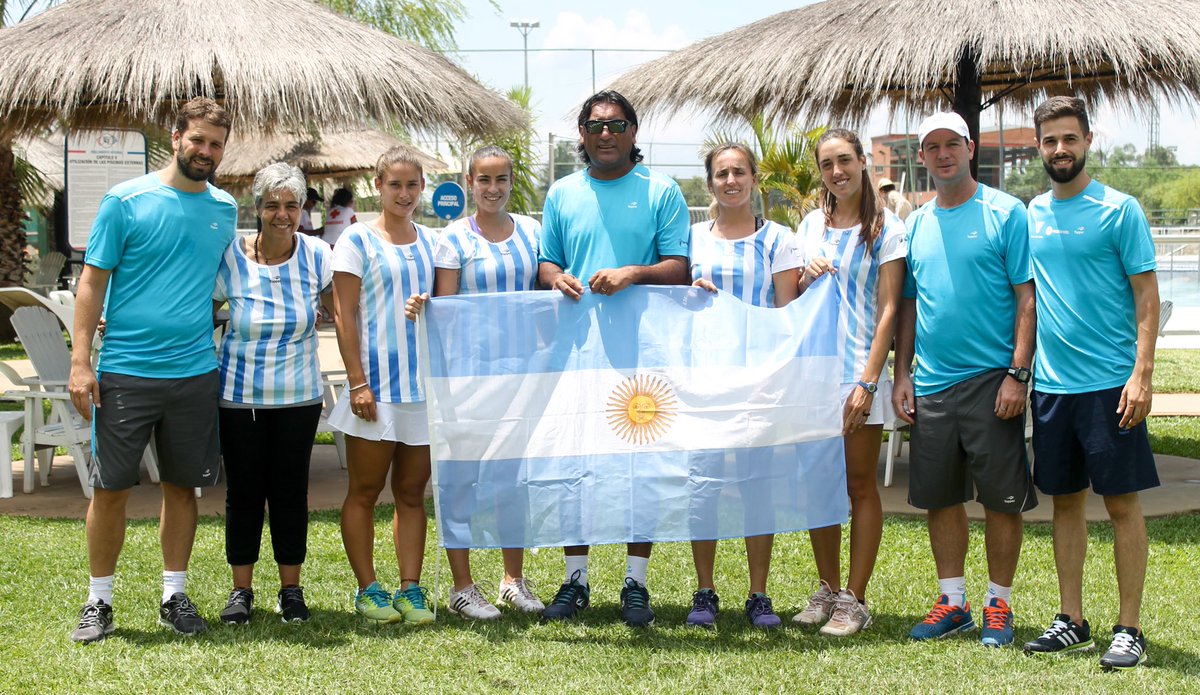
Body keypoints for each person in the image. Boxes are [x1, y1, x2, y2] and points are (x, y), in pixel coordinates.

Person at [67, 97, 237, 643]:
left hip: (193, 372)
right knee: (110, 489)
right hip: (125, 373)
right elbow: (92, 282)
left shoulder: (226, 209)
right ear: (176, 137)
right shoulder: (126, 201)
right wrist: (79, 362)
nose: (206, 151)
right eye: (198, 140)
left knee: (182, 488)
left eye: (216, 144)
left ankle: (174, 595)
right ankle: (99, 602)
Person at [537, 90, 690, 627]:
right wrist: (557, 277)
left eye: (617, 124)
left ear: (634, 132)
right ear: (581, 134)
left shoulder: (661, 190)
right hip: (576, 356)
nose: (606, 134)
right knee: (574, 468)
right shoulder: (561, 193)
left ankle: (635, 583)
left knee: (637, 470)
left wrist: (632, 273)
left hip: (641, 360)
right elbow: (546, 264)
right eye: (596, 125)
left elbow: (680, 267)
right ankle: (575, 580)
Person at [1020, 96, 1161, 671]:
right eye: (1050, 140)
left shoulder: (1120, 210)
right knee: (1066, 504)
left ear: (1087, 141)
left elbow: (1145, 296)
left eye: (1069, 139)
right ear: (1039, 147)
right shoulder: (1032, 213)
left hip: (1110, 386)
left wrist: (1142, 375)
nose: (1060, 150)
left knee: (1122, 506)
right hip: (1052, 388)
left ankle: (1129, 627)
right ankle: (1071, 619)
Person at [892, 111, 1037, 648]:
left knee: (1001, 500)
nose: (943, 154)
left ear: (970, 148)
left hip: (992, 380)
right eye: (932, 147)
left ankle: (999, 604)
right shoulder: (917, 224)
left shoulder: (1006, 213)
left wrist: (1017, 375)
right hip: (931, 385)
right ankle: (953, 602)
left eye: (952, 143)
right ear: (922, 157)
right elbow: (909, 307)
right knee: (940, 497)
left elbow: (1027, 299)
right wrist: (901, 372)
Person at [404, 145, 544, 619]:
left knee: (512, 481)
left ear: (510, 182)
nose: (493, 188)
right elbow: (445, 313)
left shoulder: (531, 231)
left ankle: (512, 580)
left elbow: (543, 289)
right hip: (467, 381)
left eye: (501, 179)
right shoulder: (452, 240)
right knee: (461, 480)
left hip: (520, 378)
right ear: (469, 183)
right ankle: (462, 587)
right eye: (483, 180)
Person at [793, 128, 906, 636]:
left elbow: (889, 311)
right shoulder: (811, 225)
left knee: (859, 485)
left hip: (858, 374)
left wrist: (868, 381)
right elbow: (793, 298)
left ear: (863, 162)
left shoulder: (887, 227)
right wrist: (805, 277)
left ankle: (855, 599)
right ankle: (828, 589)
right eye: (827, 164)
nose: (837, 172)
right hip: (813, 374)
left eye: (845, 160)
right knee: (820, 485)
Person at [213, 163, 335, 626]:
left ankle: (291, 590)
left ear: (302, 209)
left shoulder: (319, 255)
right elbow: (196, 312)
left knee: (289, 494)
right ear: (256, 207)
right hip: (239, 397)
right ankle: (240, 591)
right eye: (272, 205)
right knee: (243, 494)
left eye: (291, 205)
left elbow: (347, 310)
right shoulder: (231, 257)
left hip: (299, 398)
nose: (281, 214)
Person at [685, 143, 800, 630]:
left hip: (757, 382)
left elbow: (787, 315)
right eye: (721, 173)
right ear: (710, 182)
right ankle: (705, 592)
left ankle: (758, 594)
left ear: (755, 179)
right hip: (701, 381)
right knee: (704, 486)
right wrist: (688, 294)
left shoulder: (779, 239)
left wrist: (774, 378)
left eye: (739, 172)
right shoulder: (689, 239)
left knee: (757, 487)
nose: (730, 181)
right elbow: (669, 302)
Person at [331, 146, 438, 625]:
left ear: (422, 187)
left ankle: (410, 589)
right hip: (375, 388)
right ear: (378, 185)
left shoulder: (434, 242)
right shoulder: (355, 240)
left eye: (412, 185)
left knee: (413, 493)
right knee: (365, 490)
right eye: (394, 184)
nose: (404, 193)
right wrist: (358, 383)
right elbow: (343, 315)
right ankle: (368, 589)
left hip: (423, 392)